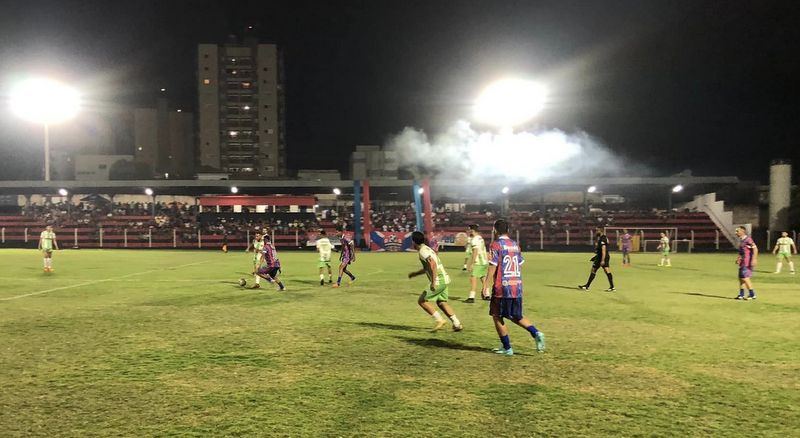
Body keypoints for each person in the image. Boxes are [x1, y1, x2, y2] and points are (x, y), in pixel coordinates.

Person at [481, 219, 544, 355]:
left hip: (502, 287)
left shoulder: (496, 245)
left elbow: (493, 265)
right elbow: (519, 263)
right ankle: (536, 332)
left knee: (497, 315)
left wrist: (485, 285)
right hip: (516, 286)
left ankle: (507, 348)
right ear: (508, 230)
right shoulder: (515, 245)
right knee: (516, 315)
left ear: (495, 230)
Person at [408, 231, 463, 331]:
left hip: (439, 280)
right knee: (442, 302)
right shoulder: (427, 249)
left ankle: (439, 320)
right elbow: (428, 267)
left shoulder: (423, 251)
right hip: (444, 279)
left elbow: (433, 265)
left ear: (414, 242)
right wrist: (415, 274)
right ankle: (457, 323)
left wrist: (433, 282)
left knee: (422, 301)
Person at [579, 227, 616, 292]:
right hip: (603, 256)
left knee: (594, 270)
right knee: (606, 270)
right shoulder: (605, 237)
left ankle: (587, 286)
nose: (596, 232)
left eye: (597, 231)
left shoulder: (602, 239)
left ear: (600, 231)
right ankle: (612, 287)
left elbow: (603, 250)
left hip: (601, 257)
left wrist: (602, 260)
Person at [464, 224, 489, 303]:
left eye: (469, 230)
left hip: (479, 261)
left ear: (472, 230)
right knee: (483, 277)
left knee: (473, 278)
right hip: (484, 261)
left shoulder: (474, 239)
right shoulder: (480, 238)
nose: (468, 231)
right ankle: (487, 294)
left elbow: (475, 251)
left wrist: (472, 263)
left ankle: (471, 297)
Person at [735, 226, 757, 300]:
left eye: (737, 231)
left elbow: (755, 249)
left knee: (745, 277)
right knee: (741, 278)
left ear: (742, 231)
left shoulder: (748, 239)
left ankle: (752, 294)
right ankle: (741, 294)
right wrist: (738, 258)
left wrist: (754, 259)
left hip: (747, 262)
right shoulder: (742, 240)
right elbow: (742, 252)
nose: (736, 233)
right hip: (743, 262)